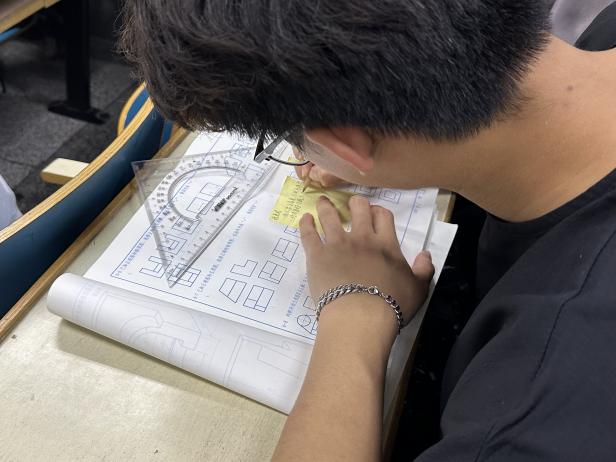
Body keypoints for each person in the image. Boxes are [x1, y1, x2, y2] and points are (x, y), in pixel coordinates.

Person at [119, 1, 616, 460]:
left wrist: (356, 311)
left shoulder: (532, 415)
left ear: (344, 142)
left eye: (285, 141)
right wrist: (376, 152)